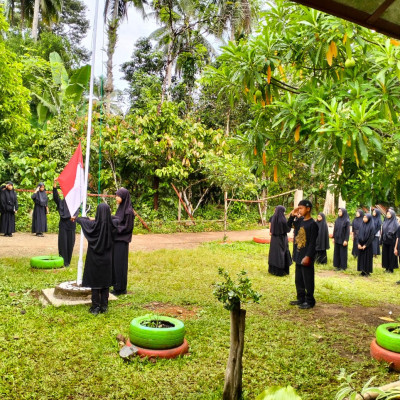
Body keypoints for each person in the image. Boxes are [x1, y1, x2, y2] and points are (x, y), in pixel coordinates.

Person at [76, 203, 116, 315]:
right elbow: (117, 218)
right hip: (107, 258)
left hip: (94, 257)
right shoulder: (112, 224)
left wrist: (92, 218)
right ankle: (104, 305)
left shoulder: (91, 225)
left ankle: (95, 306)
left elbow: (80, 219)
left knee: (95, 282)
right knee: (105, 281)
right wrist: (107, 216)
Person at [287, 200, 319, 310]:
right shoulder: (300, 221)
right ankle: (301, 298)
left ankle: (310, 301)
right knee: (299, 279)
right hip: (298, 254)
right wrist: (292, 215)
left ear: (308, 208)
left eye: (301, 208)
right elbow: (288, 226)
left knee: (308, 279)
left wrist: (308, 256)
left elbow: (313, 243)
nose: (299, 210)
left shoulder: (313, 224)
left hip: (306, 256)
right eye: (298, 208)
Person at [111, 188, 135, 295]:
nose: (116, 197)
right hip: (116, 239)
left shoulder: (129, 212)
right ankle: (116, 286)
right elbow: (117, 219)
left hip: (122, 241)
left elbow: (128, 227)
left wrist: (115, 229)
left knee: (120, 264)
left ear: (124, 197)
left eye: (118, 195)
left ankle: (121, 288)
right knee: (115, 264)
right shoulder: (120, 208)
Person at [53, 178, 79, 267]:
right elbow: (55, 197)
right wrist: (55, 184)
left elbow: (76, 211)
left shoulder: (74, 202)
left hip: (71, 225)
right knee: (63, 244)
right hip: (63, 225)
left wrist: (74, 217)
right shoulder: (62, 202)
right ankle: (63, 261)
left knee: (70, 243)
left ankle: (68, 262)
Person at [268, 205, 292, 276]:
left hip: (274, 239)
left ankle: (273, 270)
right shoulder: (283, 220)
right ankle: (281, 271)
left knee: (274, 254)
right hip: (282, 238)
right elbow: (288, 229)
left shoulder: (273, 218)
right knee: (281, 253)